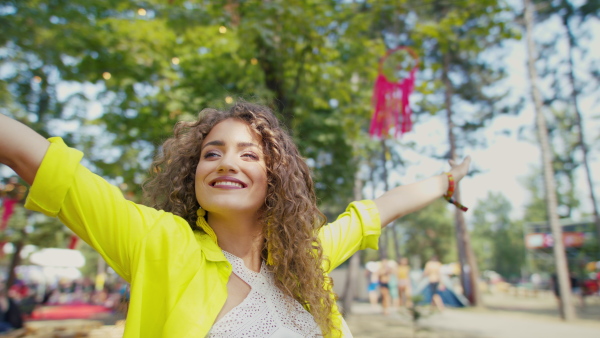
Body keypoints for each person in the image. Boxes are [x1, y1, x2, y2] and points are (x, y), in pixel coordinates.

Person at [0, 102, 470, 337]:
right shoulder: (157, 243)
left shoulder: (306, 256)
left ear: (275, 177)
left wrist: (447, 181)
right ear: (195, 173)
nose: (227, 163)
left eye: (249, 154)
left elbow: (380, 210)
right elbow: (48, 167)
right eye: (212, 153)